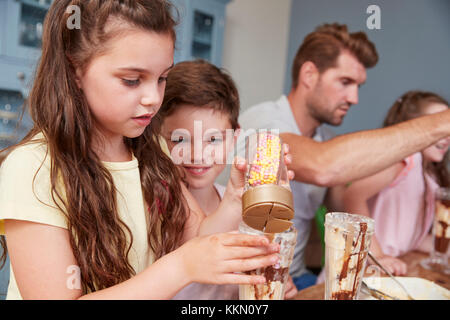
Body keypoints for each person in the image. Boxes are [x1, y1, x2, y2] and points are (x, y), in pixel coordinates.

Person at [0, 0, 281, 300]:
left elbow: (199, 237)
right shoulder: (32, 168)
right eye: (132, 80)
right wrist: (181, 266)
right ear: (75, 69)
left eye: (162, 78)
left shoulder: (154, 151)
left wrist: (235, 200)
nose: (153, 98)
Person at [237, 23, 450, 290]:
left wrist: (379, 253)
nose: (354, 98)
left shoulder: (323, 138)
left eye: (358, 86)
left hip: (297, 277)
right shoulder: (264, 122)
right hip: (243, 283)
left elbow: (341, 204)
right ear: (309, 74)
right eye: (345, 82)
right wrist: (440, 123)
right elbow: (322, 166)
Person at [156, 59, 298, 299]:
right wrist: (235, 197)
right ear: (157, 136)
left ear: (235, 138)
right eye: (180, 139)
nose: (198, 155)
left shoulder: (239, 204)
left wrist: (273, 279)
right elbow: (202, 244)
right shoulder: (156, 202)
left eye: (213, 140)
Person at [340, 91, 449, 275]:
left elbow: (410, 237)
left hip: (390, 270)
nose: (445, 135)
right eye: (435, 126)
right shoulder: (405, 160)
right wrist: (378, 255)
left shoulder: (430, 177)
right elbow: (352, 196)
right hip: (357, 272)